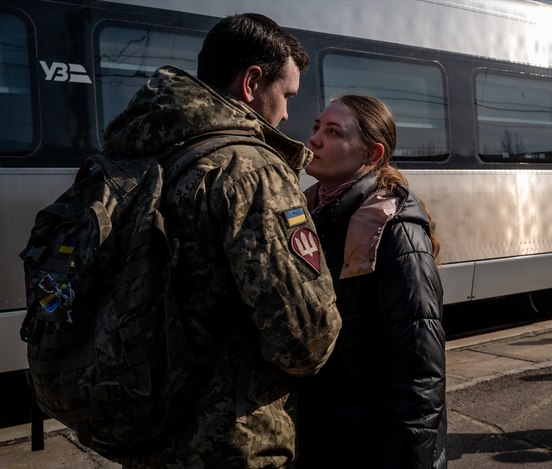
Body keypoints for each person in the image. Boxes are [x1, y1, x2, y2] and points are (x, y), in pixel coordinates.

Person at [102, 13, 342, 467]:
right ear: (252, 82)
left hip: (140, 421)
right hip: (226, 440)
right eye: (286, 94)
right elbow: (305, 338)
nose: (288, 113)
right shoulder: (250, 170)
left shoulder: (137, 148)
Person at [296, 95, 447, 468]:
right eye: (316, 127)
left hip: (370, 448)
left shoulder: (395, 233)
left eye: (333, 132)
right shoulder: (313, 215)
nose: (314, 139)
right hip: (330, 439)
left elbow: (418, 375)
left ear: (371, 154)